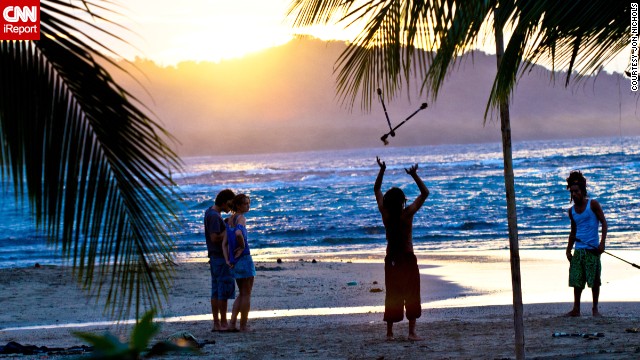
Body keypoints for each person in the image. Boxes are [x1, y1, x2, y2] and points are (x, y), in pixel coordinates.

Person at [374, 157, 429, 341]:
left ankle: (389, 333)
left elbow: (377, 190)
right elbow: (425, 193)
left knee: (393, 293)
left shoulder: (386, 214)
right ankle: (411, 333)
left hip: (392, 260)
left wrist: (382, 170)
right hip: (407, 258)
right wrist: (414, 175)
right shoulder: (407, 215)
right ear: (402, 202)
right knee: (411, 293)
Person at [565, 170, 607, 317]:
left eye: (576, 191)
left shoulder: (593, 205)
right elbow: (573, 231)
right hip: (579, 250)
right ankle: (576, 309)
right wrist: (568, 250)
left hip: (592, 250)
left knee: (594, 281)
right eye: (572, 192)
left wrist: (602, 243)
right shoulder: (572, 211)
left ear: (582, 191)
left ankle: (595, 309)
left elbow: (604, 222)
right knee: (577, 280)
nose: (574, 194)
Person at [223, 193, 256, 332]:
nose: (248, 206)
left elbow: (224, 244)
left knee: (241, 293)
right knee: (246, 294)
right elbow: (238, 234)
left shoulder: (229, 220)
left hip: (234, 261)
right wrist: (242, 247)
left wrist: (227, 260)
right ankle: (243, 325)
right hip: (244, 258)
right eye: (245, 204)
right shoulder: (241, 219)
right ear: (238, 205)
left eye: (249, 203)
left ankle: (232, 324)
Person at [204, 189, 236, 331]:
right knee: (222, 290)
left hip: (215, 257)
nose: (231, 207)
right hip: (219, 257)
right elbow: (214, 237)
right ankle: (222, 323)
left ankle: (217, 323)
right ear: (224, 202)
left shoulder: (210, 212)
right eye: (230, 204)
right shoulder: (214, 216)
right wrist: (229, 228)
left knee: (216, 290)